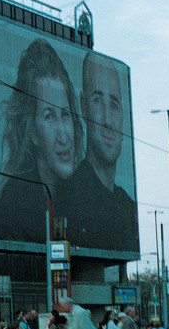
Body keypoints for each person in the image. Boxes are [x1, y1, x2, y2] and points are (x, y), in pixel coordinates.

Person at [0, 39, 83, 243]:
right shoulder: (13, 203)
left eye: (65, 114)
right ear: (32, 131)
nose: (63, 136)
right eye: (49, 116)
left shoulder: (82, 196)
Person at [56, 52, 137, 251]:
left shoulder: (128, 207)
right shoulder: (67, 198)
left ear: (123, 116)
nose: (108, 120)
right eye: (98, 100)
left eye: (114, 105)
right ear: (83, 106)